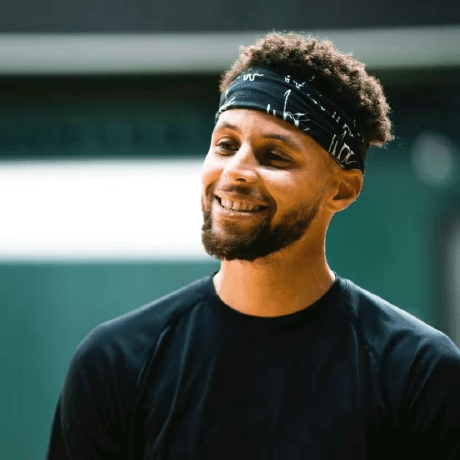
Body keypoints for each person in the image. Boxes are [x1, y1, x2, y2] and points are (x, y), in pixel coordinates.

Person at [46, 32, 460, 460]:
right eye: (226, 145)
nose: (236, 171)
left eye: (275, 156)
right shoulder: (115, 362)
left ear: (341, 189)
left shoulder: (419, 372)